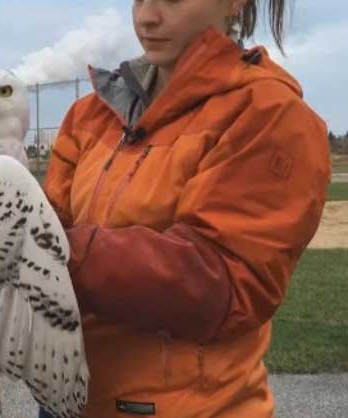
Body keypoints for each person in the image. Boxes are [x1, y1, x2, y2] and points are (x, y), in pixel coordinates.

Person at [41, 0, 331, 417]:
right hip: (65, 402)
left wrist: (53, 252)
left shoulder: (267, 113)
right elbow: (47, 223)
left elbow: (221, 280)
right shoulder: (89, 115)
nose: (146, 17)